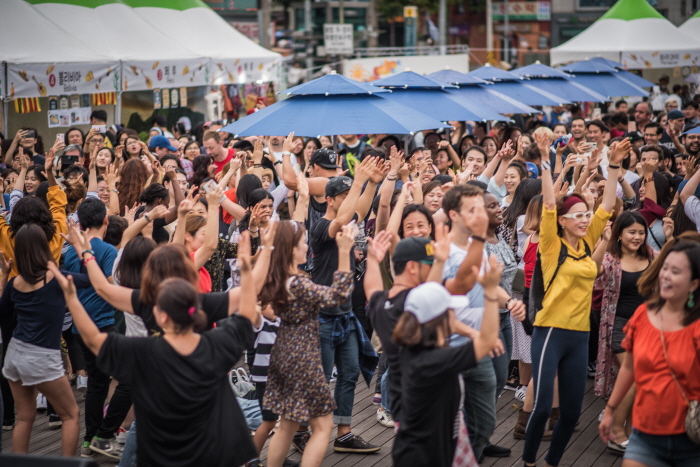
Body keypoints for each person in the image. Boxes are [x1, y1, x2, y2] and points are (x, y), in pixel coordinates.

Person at [51, 267, 259, 467]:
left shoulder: (143, 352)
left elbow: (94, 340)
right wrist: (250, 267)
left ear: (161, 317)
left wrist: (71, 298)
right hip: (215, 454)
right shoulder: (217, 344)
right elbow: (247, 313)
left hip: (163, 456)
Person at [523, 137, 631, 467]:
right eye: (578, 215)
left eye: (586, 215)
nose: (585, 219)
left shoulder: (585, 246)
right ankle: (528, 461)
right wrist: (545, 159)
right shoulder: (552, 246)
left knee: (570, 412)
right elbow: (550, 205)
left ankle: (552, 462)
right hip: (551, 332)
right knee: (543, 408)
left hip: (579, 335)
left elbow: (608, 206)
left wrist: (612, 167)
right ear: (562, 222)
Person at [261, 222, 357, 467]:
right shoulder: (298, 283)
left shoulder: (279, 278)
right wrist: (344, 251)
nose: (308, 246)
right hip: (303, 359)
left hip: (283, 355)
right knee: (323, 427)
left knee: (288, 425)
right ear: (292, 249)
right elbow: (339, 296)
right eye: (303, 242)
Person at [391, 256, 502, 467]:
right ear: (439, 319)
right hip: (423, 458)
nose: (455, 314)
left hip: (416, 452)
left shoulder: (413, 349)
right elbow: (487, 341)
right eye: (450, 309)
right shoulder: (434, 361)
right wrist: (489, 292)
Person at [599, 241, 700, 467]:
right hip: (645, 435)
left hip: (692, 439)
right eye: (665, 268)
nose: (665, 275)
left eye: (675, 271)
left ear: (693, 284)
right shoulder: (643, 315)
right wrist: (610, 411)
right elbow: (629, 368)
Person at [308, 157, 384, 453]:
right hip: (322, 316)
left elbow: (359, 210)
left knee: (350, 372)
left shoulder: (348, 222)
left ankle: (343, 434)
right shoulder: (321, 226)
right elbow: (342, 218)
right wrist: (360, 179)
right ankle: (305, 430)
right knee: (321, 379)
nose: (350, 204)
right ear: (330, 199)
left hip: (345, 315)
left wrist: (373, 182)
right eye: (343, 196)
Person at [0, 225, 82, 456]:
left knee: (24, 417)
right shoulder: (56, 279)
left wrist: (5, 275)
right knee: (71, 415)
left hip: (14, 354)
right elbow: (93, 281)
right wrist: (80, 249)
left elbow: (2, 312)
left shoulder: (16, 283)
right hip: (41, 357)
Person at [593, 211, 655, 453]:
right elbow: (593, 271)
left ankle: (630, 432)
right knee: (635, 376)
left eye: (641, 232)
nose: (637, 237)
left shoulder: (652, 255)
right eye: (632, 232)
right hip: (619, 325)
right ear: (619, 234)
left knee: (639, 380)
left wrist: (670, 239)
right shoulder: (610, 258)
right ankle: (616, 430)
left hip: (648, 327)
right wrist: (602, 240)